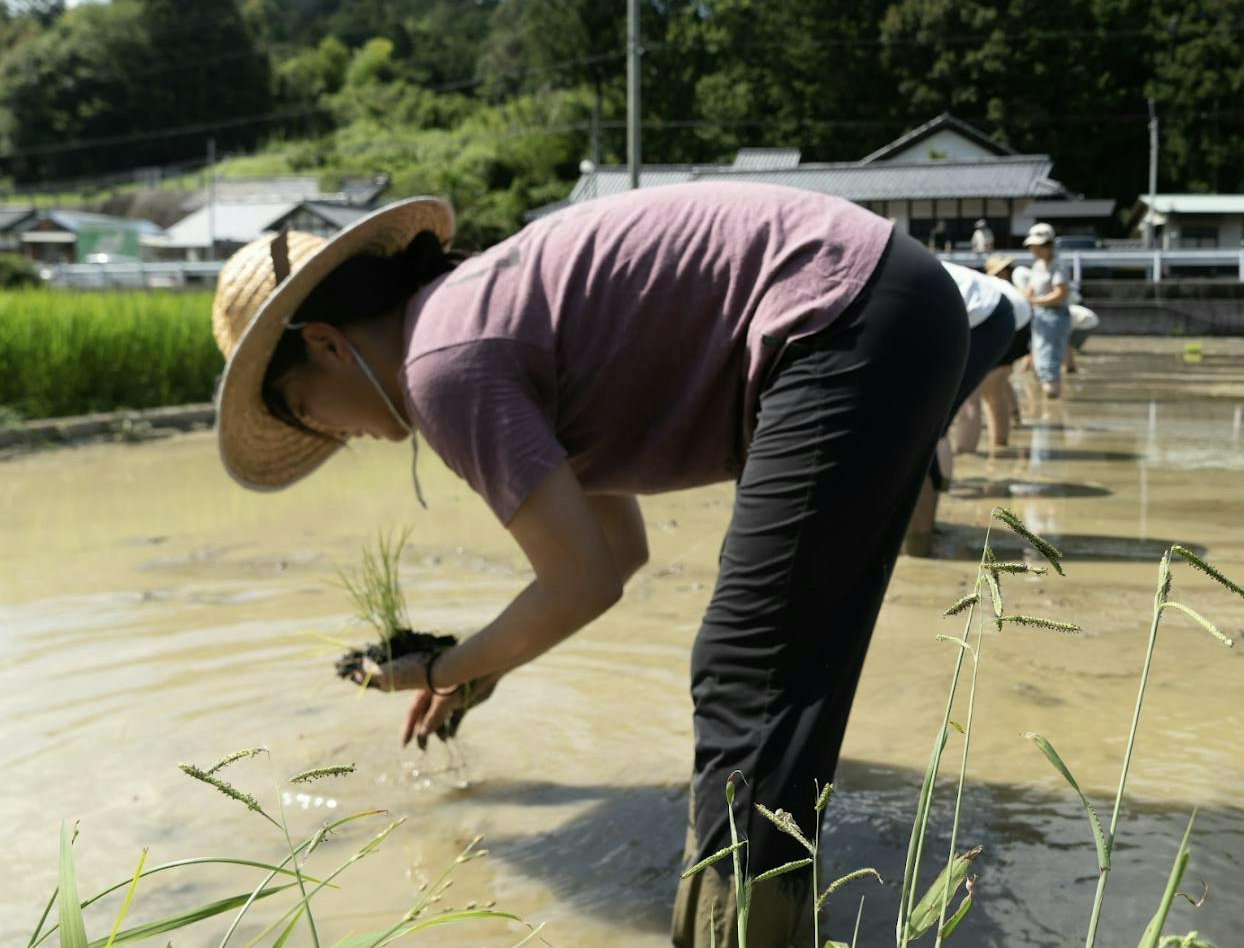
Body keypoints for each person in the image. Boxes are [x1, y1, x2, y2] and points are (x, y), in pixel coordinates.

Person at [208, 183, 970, 948]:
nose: (334, 436)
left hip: (841, 316)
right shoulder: (474, 316)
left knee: (747, 670)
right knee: (780, 666)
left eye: (307, 411)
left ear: (328, 345)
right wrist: (476, 668)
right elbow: (615, 552)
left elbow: (583, 579)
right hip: (888, 301)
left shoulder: (443, 362)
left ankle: (737, 935)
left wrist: (440, 669)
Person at [903, 259, 1030, 555]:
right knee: (943, 417)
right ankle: (939, 497)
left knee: (919, 429)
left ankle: (917, 546)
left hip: (985, 315)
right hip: (1000, 311)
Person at [953, 256, 1031, 452]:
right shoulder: (994, 283)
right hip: (1020, 318)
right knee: (996, 387)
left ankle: (965, 452)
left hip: (995, 317)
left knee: (969, 395)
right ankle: (1000, 445)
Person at [1020, 222, 1070, 401]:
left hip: (1054, 316)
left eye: (1037, 246)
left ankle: (1052, 411)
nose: (1033, 249)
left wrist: (1034, 301)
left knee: (1049, 362)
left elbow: (1060, 294)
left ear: (1047, 245)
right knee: (1038, 360)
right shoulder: (1038, 265)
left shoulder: (1058, 265)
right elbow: (1030, 289)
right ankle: (1045, 405)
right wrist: (1024, 300)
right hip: (1038, 316)